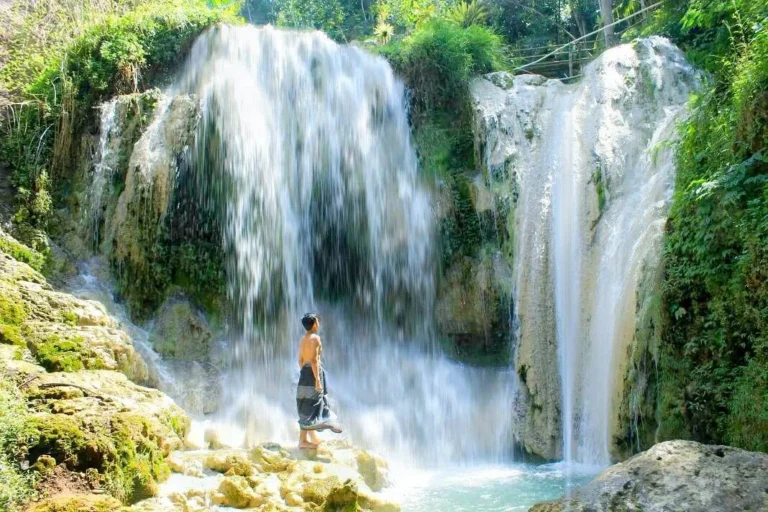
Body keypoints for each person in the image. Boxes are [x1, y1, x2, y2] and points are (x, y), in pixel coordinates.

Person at [296, 313, 342, 449]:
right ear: (314, 323)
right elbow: (315, 360)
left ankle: (311, 437)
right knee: (314, 403)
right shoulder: (315, 339)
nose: (318, 322)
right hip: (313, 373)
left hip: (304, 372)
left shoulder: (303, 339)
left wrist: (305, 372)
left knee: (306, 404)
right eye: (317, 320)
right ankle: (303, 441)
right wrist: (317, 380)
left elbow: (300, 360)